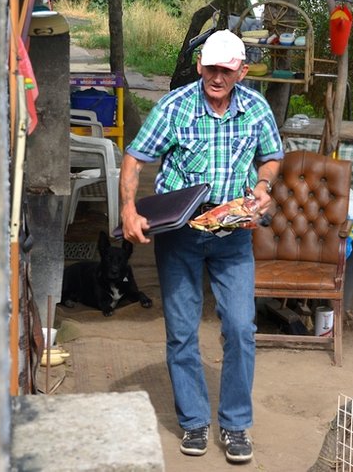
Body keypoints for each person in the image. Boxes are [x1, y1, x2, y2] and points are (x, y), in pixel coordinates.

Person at [119, 29, 282, 464]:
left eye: (226, 70)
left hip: (232, 231)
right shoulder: (174, 107)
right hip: (180, 233)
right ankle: (193, 422)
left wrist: (263, 184)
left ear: (241, 72)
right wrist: (128, 210)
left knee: (241, 328)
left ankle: (234, 425)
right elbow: (135, 157)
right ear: (199, 66)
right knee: (182, 330)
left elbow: (272, 155)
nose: (216, 77)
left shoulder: (256, 108)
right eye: (210, 68)